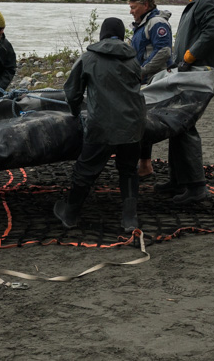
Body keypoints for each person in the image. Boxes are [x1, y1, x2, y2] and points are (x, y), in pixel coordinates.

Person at [53, 17, 146, 232]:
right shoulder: (133, 59)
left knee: (85, 170)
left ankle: (70, 214)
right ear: (122, 35)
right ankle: (130, 219)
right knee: (128, 170)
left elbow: (72, 93)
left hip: (102, 126)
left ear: (101, 34)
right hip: (133, 125)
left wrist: (75, 113)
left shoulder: (88, 58)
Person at [157, 0, 214, 206]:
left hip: (201, 73)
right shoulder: (201, 0)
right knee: (177, 124)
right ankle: (178, 181)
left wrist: (189, 57)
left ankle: (196, 187)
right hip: (192, 72)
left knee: (184, 125)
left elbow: (211, 33)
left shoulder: (207, 0)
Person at [128, 0, 173, 178]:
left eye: (133, 7)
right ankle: (143, 164)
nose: (130, 11)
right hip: (144, 79)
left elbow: (163, 51)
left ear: (145, 5)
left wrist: (141, 71)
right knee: (140, 121)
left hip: (154, 81)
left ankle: (145, 165)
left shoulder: (157, 23)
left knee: (143, 122)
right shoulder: (142, 25)